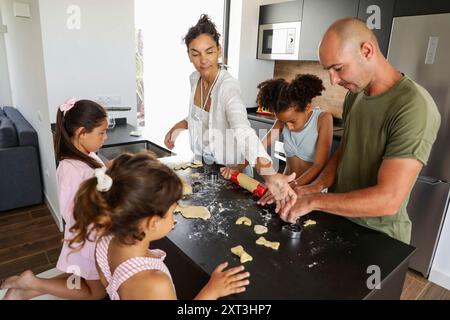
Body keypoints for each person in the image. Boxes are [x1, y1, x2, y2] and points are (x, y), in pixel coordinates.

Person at [277, 18, 441, 244]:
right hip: (339, 222)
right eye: (329, 71)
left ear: (366, 51)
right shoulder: (355, 95)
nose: (333, 80)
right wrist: (315, 186)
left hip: (378, 238)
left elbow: (389, 199)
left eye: (338, 68)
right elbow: (346, 150)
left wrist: (314, 201)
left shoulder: (414, 106)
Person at [69, 151, 250, 300]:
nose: (174, 217)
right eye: (172, 211)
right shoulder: (155, 284)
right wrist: (212, 291)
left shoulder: (105, 239)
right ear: (152, 223)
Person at [164, 14, 296, 212]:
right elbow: (198, 117)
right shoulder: (194, 80)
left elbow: (243, 130)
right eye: (195, 53)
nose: (203, 60)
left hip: (232, 171)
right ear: (189, 55)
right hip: (204, 166)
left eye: (209, 52)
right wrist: (179, 126)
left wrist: (269, 173)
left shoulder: (228, 87)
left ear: (219, 50)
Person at [1, 99, 108, 299]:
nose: (105, 137)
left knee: (78, 278)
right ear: (81, 133)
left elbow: (101, 178)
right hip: (89, 238)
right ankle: (32, 282)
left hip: (95, 235)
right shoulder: (70, 169)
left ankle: (24, 291)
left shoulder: (90, 155)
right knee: (97, 292)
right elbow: (72, 211)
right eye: (101, 132)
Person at [254, 74, 333, 205]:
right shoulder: (282, 121)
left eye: (292, 121)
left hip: (309, 193)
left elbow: (319, 164)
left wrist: (292, 185)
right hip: (285, 188)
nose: (288, 127)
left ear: (307, 107)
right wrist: (240, 167)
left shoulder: (323, 119)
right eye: (285, 123)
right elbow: (259, 147)